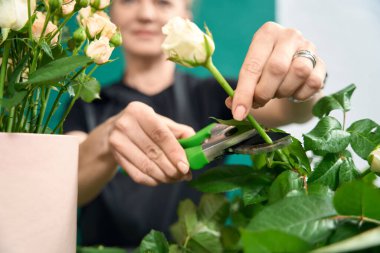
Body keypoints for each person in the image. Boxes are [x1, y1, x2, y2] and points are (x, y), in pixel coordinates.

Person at [64, 0, 327, 248]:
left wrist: (303, 75)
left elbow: (296, 109)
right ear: (112, 16)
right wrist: (110, 135)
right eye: (129, 0)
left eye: (163, 2)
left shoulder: (217, 94)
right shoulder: (85, 103)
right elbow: (67, 187)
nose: (145, 14)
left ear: (186, 17)